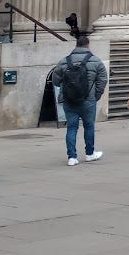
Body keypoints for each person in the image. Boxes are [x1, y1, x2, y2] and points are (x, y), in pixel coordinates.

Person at [52, 33, 107, 166]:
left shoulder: (65, 61)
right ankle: (89, 154)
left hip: (69, 100)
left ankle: (72, 157)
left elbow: (55, 80)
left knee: (71, 128)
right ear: (88, 45)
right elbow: (102, 80)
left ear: (76, 45)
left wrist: (67, 89)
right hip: (88, 100)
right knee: (89, 126)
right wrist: (96, 95)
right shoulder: (96, 61)